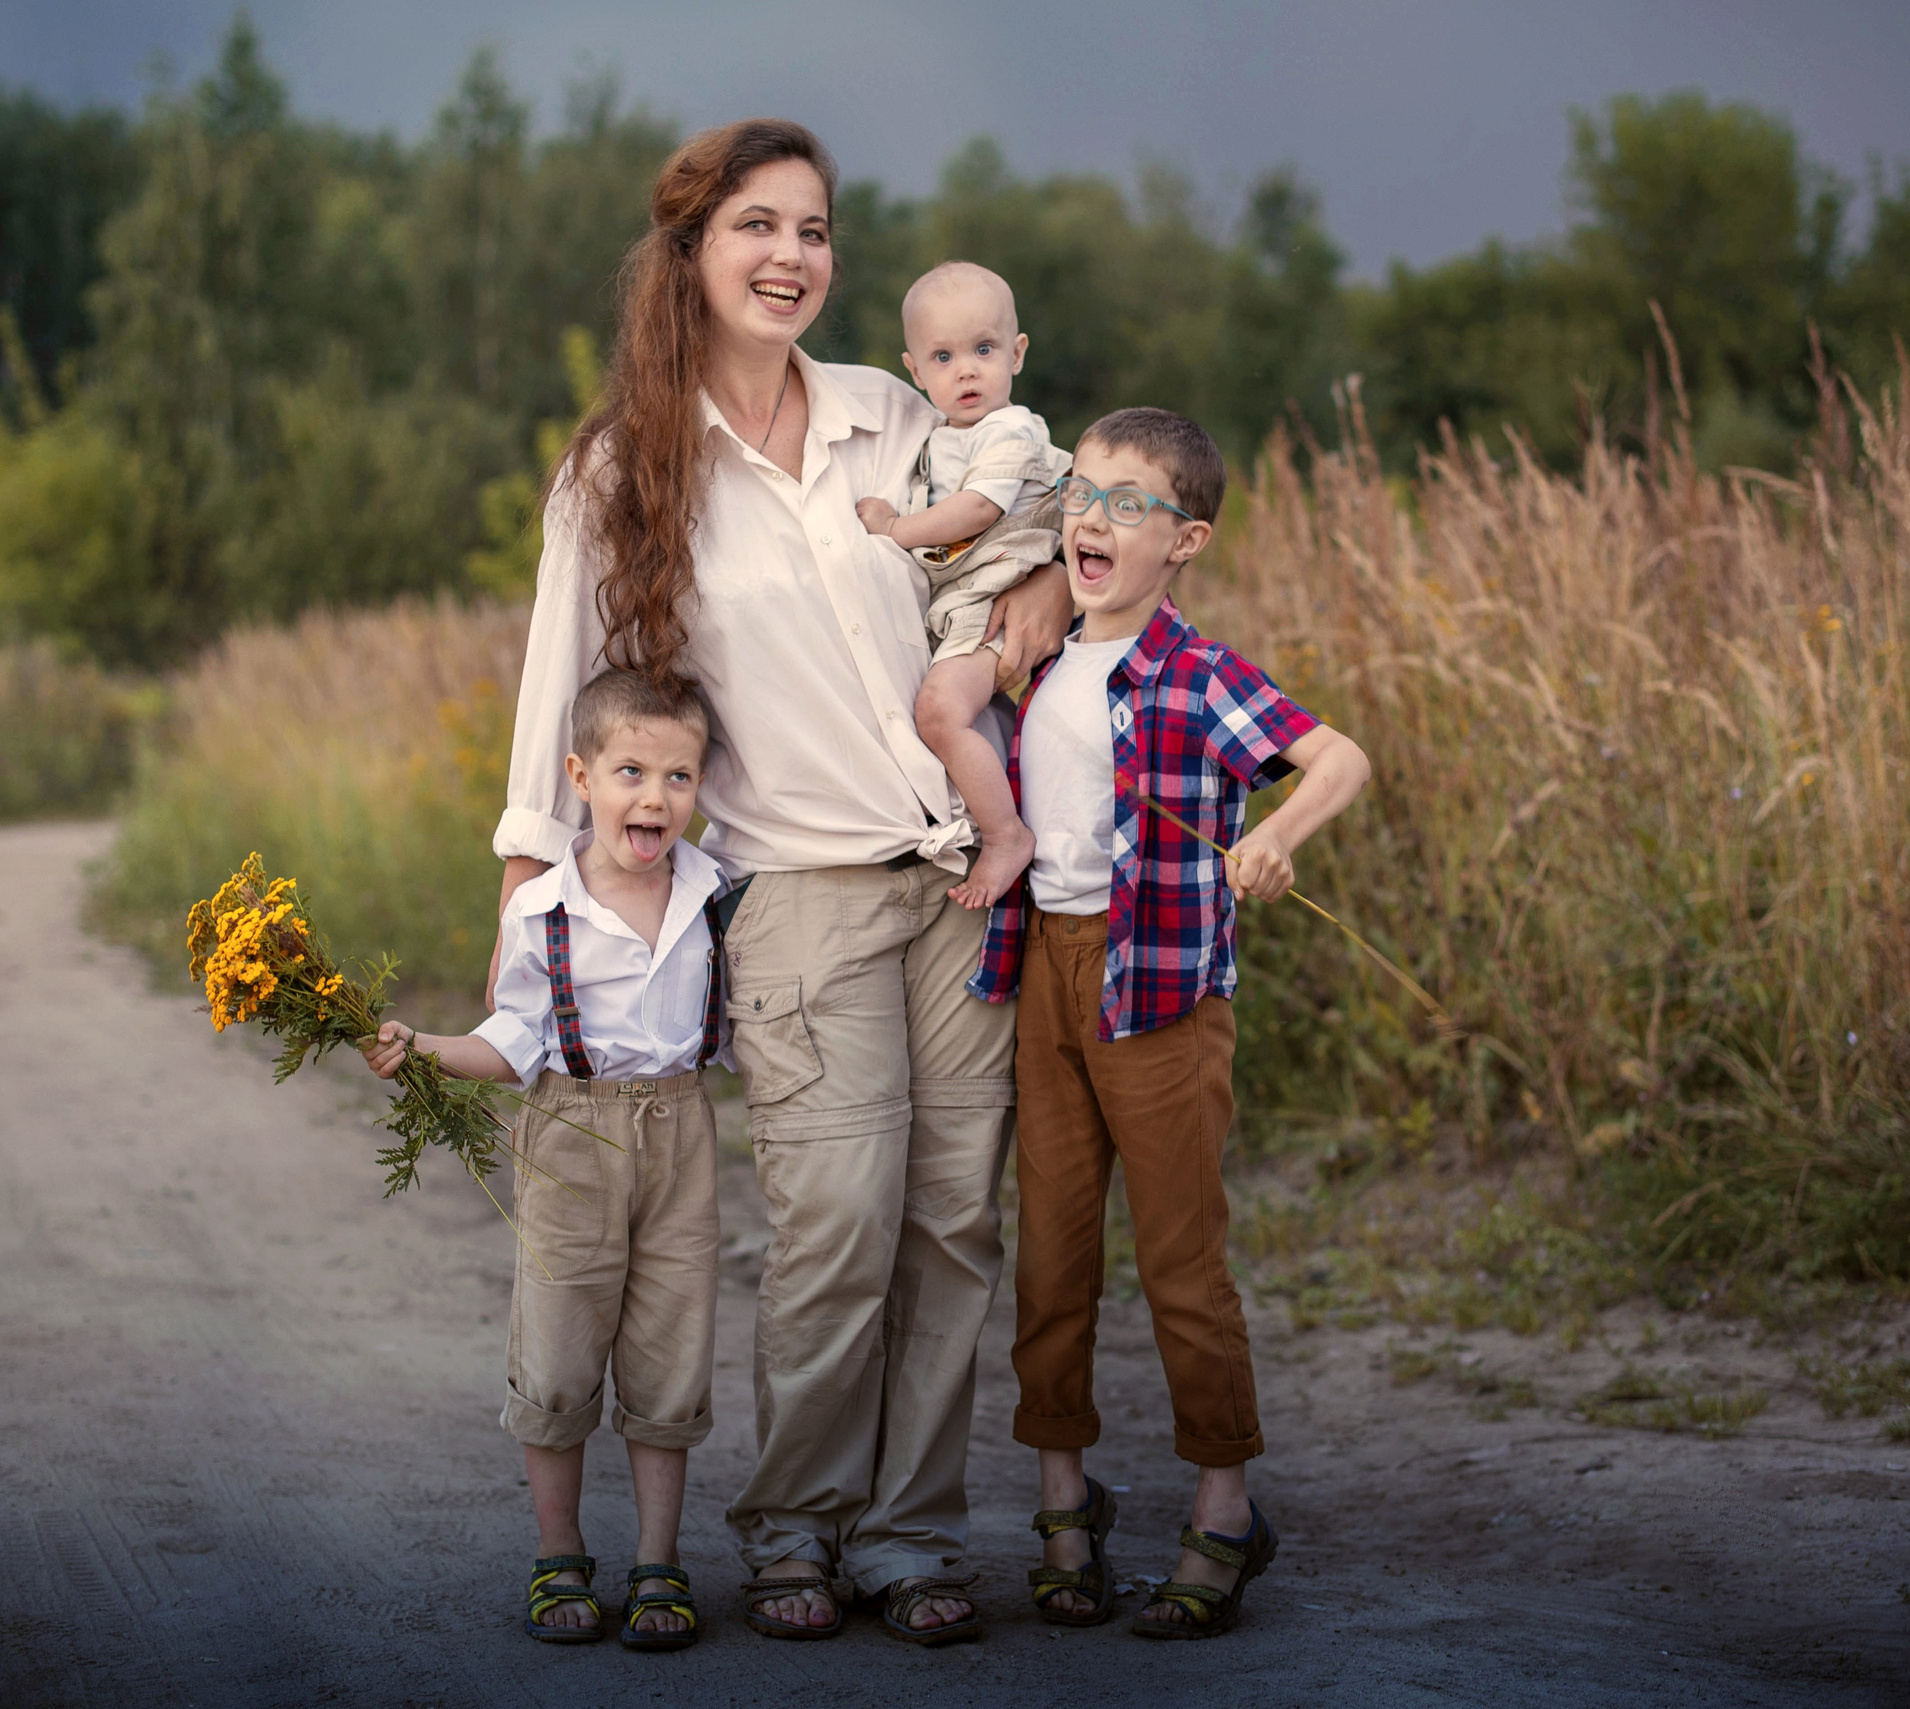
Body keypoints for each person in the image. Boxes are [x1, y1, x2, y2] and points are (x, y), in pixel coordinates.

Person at [494, 118, 1074, 1645]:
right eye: (757, 225)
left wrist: (1022, 599)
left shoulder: (901, 415)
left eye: (814, 229)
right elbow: (561, 692)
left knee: (954, 1218)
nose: (791, 257)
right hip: (796, 895)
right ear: (690, 250)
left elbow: (1043, 526)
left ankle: (909, 1535)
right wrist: (529, 904)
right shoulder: (627, 466)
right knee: (833, 1215)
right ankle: (797, 1528)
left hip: (956, 879)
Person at [968, 407, 1372, 1638]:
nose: (1094, 516)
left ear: (1185, 539)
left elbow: (1339, 757)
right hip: (1046, 969)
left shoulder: (1197, 671)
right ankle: (1063, 1504)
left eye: (1130, 502)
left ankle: (1222, 1508)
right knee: (1051, 1257)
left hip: (1159, 994)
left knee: (1182, 1269)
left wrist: (1273, 841)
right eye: (1083, 492)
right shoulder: (1036, 655)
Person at [364, 669, 729, 1652]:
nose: (654, 796)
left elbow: (742, 1025)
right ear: (579, 776)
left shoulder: (714, 891)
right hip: (570, 1128)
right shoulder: (543, 911)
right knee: (560, 1345)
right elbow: (513, 1038)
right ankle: (559, 1549)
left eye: (679, 775)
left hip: (682, 1132)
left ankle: (660, 1560)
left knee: (669, 1347)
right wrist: (425, 1046)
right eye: (629, 771)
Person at [854, 260, 1073, 912]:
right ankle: (1000, 811)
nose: (967, 370)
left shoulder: (1011, 430)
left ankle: (1006, 835)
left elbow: (978, 509)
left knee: (940, 712)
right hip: (962, 604)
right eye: (943, 357)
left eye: (984, 349)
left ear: (1017, 352)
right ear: (914, 371)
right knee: (972, 718)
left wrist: (896, 527)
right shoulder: (936, 439)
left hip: (995, 594)